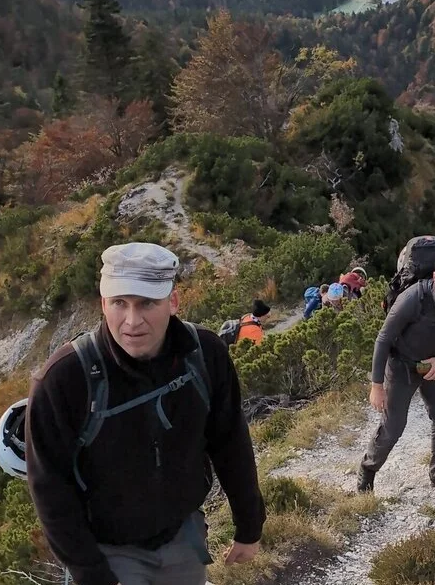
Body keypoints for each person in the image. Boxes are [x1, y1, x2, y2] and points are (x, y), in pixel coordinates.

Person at [25, 242, 265, 585]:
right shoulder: (64, 380)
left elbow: (230, 441)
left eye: (147, 303)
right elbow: (50, 489)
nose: (132, 321)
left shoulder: (204, 354)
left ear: (173, 301)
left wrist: (249, 524)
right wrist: (92, 575)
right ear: (103, 303)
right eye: (119, 303)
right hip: (107, 551)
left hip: (182, 535)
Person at [358, 257, 435, 495]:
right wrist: (376, 385)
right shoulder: (412, 299)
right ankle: (368, 470)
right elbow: (383, 339)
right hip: (402, 366)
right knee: (394, 426)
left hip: (434, 367)